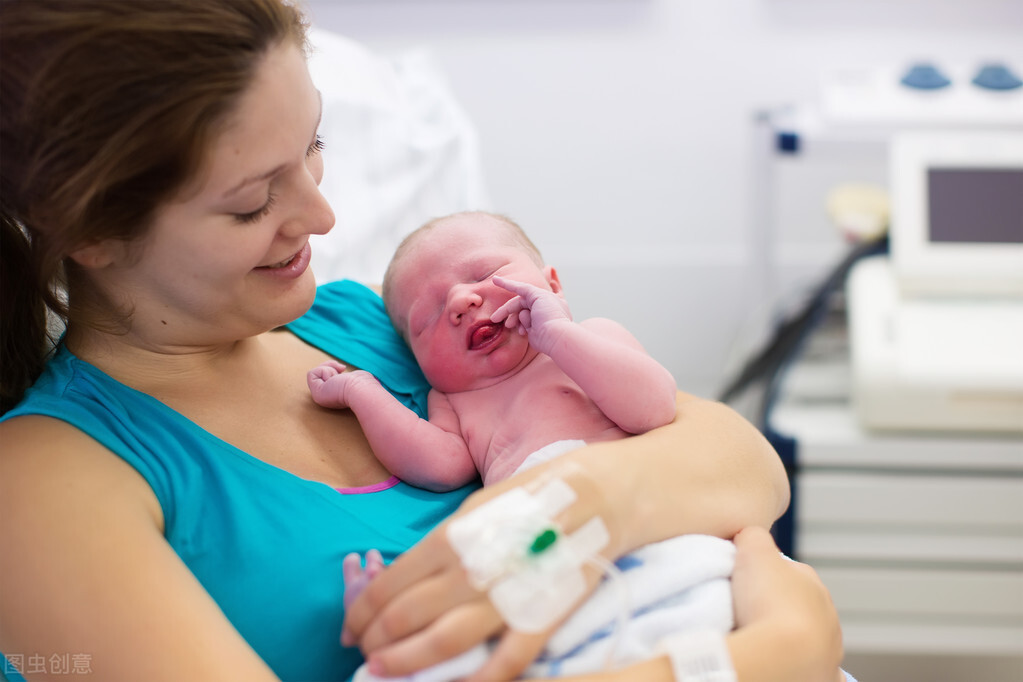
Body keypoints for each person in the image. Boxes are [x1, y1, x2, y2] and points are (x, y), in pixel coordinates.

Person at [0, 2, 845, 681]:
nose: (322, 216)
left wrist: (587, 504)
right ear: (91, 231)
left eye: (314, 146)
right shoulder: (43, 489)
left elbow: (740, 461)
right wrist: (753, 659)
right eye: (253, 201)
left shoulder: (371, 323)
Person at [307, 210, 679, 491]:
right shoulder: (454, 402)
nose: (461, 301)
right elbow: (440, 467)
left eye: (485, 274)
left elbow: (656, 407)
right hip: (539, 536)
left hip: (636, 494)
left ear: (552, 285)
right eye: (428, 317)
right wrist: (361, 391)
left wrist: (559, 337)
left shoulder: (594, 336)